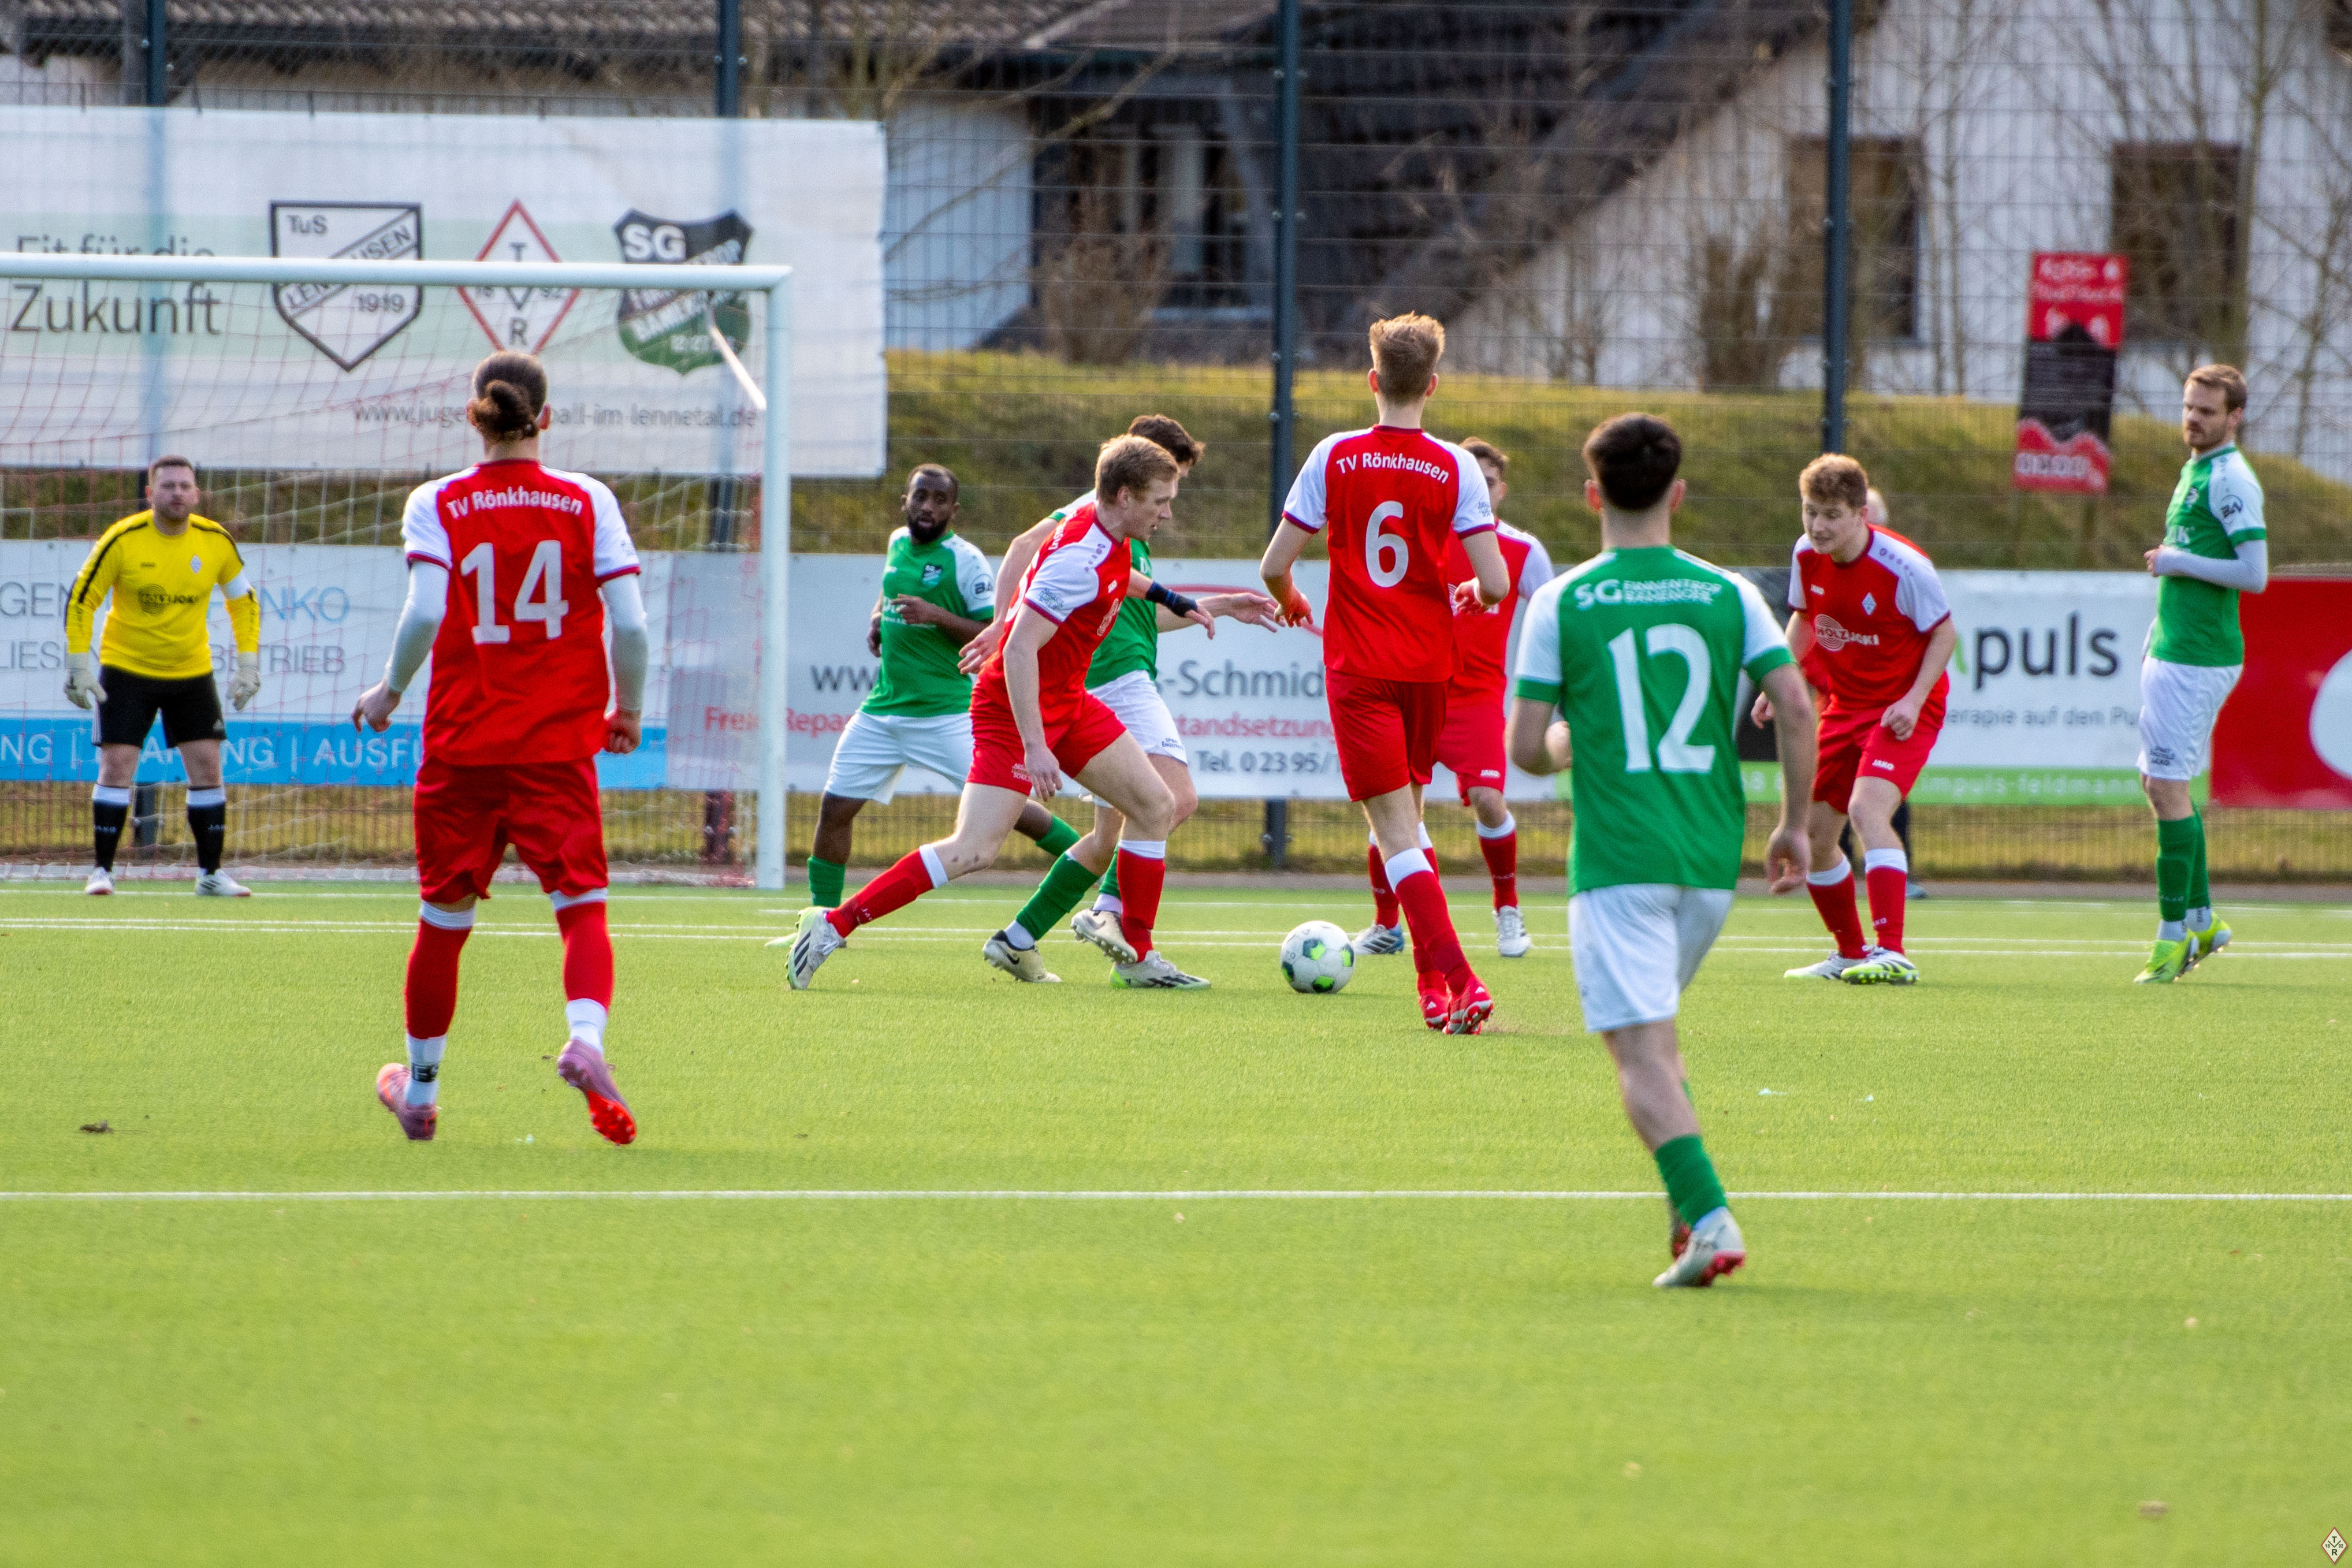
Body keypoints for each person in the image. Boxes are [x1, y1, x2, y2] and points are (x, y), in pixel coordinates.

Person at [1506, 412, 1817, 1288]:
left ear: (1591, 496)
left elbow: (1525, 747)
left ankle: (1712, 1220)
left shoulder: (1563, 600)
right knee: (1658, 1042)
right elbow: (1797, 706)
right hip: (1710, 861)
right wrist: (1795, 824)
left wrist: (1569, 740)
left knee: (1637, 1056)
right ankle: (1687, 1220)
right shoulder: (1730, 594)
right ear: (1677, 495)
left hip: (1619, 862)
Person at [783, 435, 1218, 989]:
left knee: (1156, 804)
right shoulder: (1079, 557)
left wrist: (1174, 599)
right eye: (1161, 500)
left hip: (1067, 699)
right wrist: (1036, 746)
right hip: (1013, 708)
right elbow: (1018, 649)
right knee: (974, 850)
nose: (1168, 513)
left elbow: (1115, 575)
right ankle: (833, 925)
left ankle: (1138, 956)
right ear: (1125, 496)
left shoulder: (1105, 532)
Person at [351, 351, 650, 1146]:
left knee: (442, 923)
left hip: (462, 746)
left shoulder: (438, 500)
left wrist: (388, 693)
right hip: (556, 746)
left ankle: (420, 1094)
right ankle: (584, 1040)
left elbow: (424, 612)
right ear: (545, 418)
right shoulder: (587, 499)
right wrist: (627, 709)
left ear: (473, 416)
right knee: (581, 907)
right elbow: (631, 623)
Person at [957, 415, 1279, 985]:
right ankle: (1118, 925)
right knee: (1171, 800)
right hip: (1114, 679)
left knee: (1112, 837)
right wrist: (1002, 624)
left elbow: (1143, 617)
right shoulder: (1096, 515)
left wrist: (1219, 606)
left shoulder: (1129, 535)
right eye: (1167, 489)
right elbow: (1023, 547)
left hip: (1112, 675)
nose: (1170, 507)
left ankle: (1019, 938)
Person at [1261, 312, 1511, 1033]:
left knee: (1396, 834)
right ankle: (1430, 990)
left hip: (1360, 666)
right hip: (1428, 666)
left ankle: (1461, 979)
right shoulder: (1456, 466)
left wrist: (1291, 598)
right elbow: (1495, 584)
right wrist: (1473, 592)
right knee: (1411, 826)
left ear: (1372, 380)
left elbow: (1274, 565)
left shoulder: (1334, 455)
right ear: (1431, 386)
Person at [805, 464, 1084, 910]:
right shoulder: (898, 541)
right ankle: (820, 918)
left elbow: (995, 634)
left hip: (947, 713)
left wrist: (935, 616)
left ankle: (1091, 863)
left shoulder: (966, 561)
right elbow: (888, 591)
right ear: (906, 500)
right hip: (882, 711)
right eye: (921, 497)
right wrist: (877, 619)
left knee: (1013, 810)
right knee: (834, 808)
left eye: (939, 500)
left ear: (955, 509)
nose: (928, 507)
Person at [1353, 436, 1553, 960]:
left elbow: (1550, 616)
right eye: (1472, 481)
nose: (1480, 490)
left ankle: (1507, 908)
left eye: (1489, 483)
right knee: (1397, 808)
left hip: (1477, 699)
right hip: (1417, 687)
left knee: (1488, 799)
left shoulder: (1522, 550)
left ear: (1501, 490)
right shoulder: (1424, 536)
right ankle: (1387, 924)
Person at [1763, 454, 1955, 986]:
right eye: (1810, 512)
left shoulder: (1905, 566)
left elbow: (1945, 635)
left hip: (1903, 708)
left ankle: (1893, 951)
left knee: (1867, 809)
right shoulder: (1806, 554)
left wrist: (1913, 700)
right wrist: (1779, 681)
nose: (1818, 526)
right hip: (1846, 705)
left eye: (1832, 515)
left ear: (1860, 514)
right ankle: (1850, 952)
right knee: (1816, 834)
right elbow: (1805, 619)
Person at [64, 456, 263, 897]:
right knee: (117, 765)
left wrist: (249, 664)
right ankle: (102, 871)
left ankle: (210, 875)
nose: (177, 493)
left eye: (185, 486)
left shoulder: (216, 541)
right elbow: (81, 599)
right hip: (127, 669)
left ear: (197, 494)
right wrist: (78, 665)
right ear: (151, 494)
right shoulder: (123, 539)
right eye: (168, 486)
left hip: (191, 672)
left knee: (208, 765)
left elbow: (243, 601)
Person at [2134, 364, 2268, 984]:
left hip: (2199, 656)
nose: (2193, 419)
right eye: (2189, 407)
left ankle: (2171, 940)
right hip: (2175, 647)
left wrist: (2176, 561)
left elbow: (2253, 573)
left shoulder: (2232, 479)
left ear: (2234, 417)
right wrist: (2155, 631)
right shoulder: (2197, 469)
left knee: (2167, 789)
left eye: (2207, 412)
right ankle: (2203, 921)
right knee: (2162, 784)